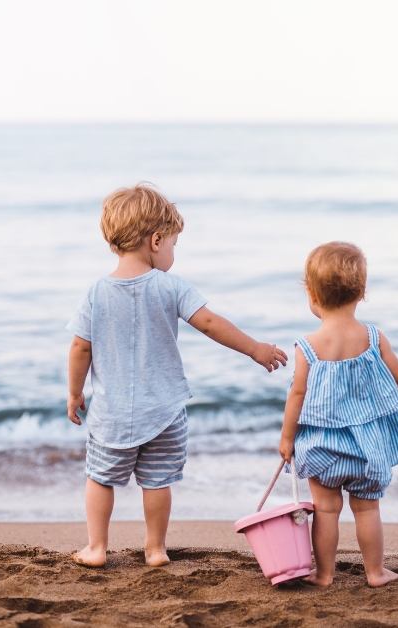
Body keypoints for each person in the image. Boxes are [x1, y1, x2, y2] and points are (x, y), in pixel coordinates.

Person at [67, 183, 288, 567]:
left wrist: (74, 393)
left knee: (101, 478)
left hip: (111, 414)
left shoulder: (95, 293)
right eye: (172, 244)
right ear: (155, 240)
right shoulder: (170, 286)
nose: (172, 252)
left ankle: (96, 547)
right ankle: (155, 549)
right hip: (165, 412)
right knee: (157, 481)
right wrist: (255, 349)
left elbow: (80, 348)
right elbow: (209, 323)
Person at [277, 241, 398, 587]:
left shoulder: (308, 347)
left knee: (326, 511)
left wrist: (286, 439)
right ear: (361, 293)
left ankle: (325, 574)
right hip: (368, 448)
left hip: (323, 448)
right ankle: (375, 572)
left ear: (312, 295)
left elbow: (296, 396)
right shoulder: (372, 338)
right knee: (367, 510)